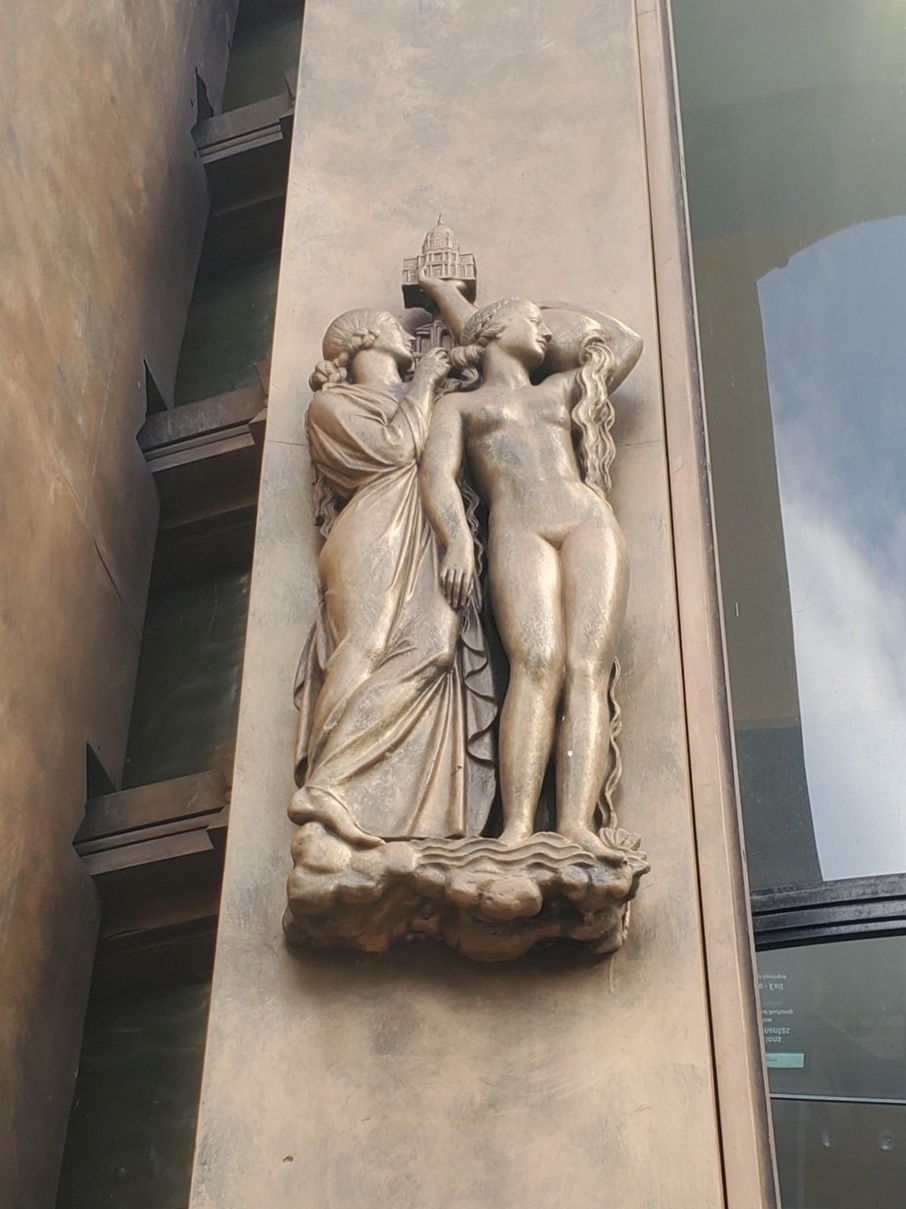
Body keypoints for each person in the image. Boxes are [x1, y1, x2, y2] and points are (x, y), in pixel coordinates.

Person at [418, 275, 642, 853]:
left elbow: (624, 342)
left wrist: (534, 309)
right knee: (536, 664)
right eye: (533, 320)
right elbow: (437, 476)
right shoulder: (461, 405)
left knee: (586, 669)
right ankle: (518, 826)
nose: (545, 329)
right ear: (496, 330)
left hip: (585, 521)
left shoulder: (560, 389)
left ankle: (575, 824)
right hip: (519, 530)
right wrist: (457, 541)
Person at [291, 308, 495, 847]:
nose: (406, 333)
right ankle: (326, 788)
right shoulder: (333, 404)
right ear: (366, 338)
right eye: (392, 324)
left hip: (425, 533)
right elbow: (392, 450)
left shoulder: (423, 396)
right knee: (363, 650)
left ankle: (380, 802)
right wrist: (425, 380)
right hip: (373, 531)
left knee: (435, 649)